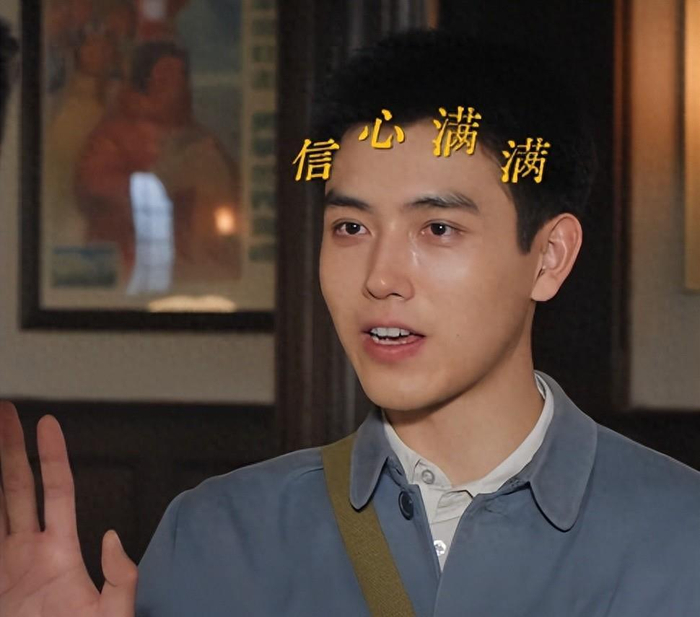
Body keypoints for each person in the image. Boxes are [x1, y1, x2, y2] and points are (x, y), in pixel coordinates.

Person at [1, 26, 699, 617]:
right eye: (350, 227)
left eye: (437, 228)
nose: (380, 277)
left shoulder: (679, 536)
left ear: (549, 257)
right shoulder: (219, 537)